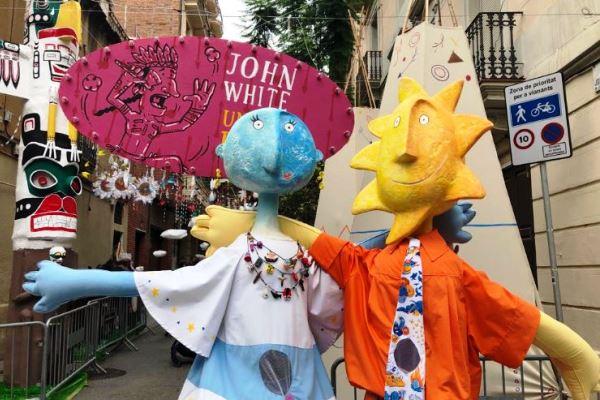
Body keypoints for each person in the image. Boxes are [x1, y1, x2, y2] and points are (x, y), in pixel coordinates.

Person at [193, 78, 600, 400]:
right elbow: (321, 244)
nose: (405, 153)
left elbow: (519, 320)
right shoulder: (372, 267)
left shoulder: (453, 278)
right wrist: (253, 223)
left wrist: (577, 356)